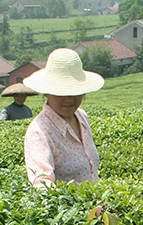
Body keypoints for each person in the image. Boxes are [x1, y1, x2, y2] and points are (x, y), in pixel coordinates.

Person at [22, 48, 105, 188]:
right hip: (69, 208)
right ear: (46, 92)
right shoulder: (39, 132)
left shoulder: (82, 117)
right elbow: (42, 184)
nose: (69, 99)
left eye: (75, 91)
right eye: (61, 92)